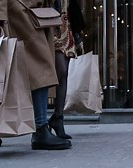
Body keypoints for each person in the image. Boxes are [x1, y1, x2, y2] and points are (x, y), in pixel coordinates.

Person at [0, 0, 71, 150]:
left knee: (22, 73)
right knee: (40, 67)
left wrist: (53, 16)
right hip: (20, 13)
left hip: (35, 14)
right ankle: (40, 129)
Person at [48, 0, 85, 139]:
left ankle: (58, 118)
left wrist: (77, 35)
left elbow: (72, 7)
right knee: (60, 70)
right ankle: (38, 120)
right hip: (47, 26)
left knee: (64, 73)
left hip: (65, 28)